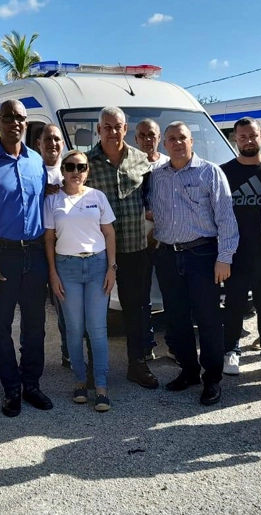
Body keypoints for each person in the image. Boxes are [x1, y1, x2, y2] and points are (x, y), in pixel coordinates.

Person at [0, 99, 53, 417]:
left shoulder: (36, 162)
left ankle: (32, 384)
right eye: (7, 117)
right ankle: (11, 389)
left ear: (26, 123)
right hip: (0, 257)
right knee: (0, 326)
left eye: (19, 117)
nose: (14, 122)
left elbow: (43, 206)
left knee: (35, 325)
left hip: (34, 254)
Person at [150, 121, 239, 405]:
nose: (177, 143)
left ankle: (212, 378)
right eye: (172, 138)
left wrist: (224, 258)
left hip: (202, 255)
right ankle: (188, 371)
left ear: (192, 141)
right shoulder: (156, 176)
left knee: (208, 318)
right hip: (167, 255)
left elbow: (226, 218)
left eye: (183, 138)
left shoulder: (210, 172)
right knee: (176, 319)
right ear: (165, 144)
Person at [85, 106, 159, 389]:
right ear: (98, 130)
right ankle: (96, 368)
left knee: (137, 309)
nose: (112, 132)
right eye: (107, 127)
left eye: (117, 127)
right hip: (97, 251)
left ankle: (137, 364)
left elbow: (152, 200)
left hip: (135, 249)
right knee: (96, 311)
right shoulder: (87, 163)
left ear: (125, 129)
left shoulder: (142, 161)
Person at [44, 151, 116, 411]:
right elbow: (49, 240)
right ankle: (79, 382)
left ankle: (100, 386)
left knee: (97, 329)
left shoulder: (98, 197)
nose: (76, 171)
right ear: (62, 170)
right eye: (70, 166)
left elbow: (109, 234)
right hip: (67, 268)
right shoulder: (52, 200)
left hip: (97, 266)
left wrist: (112, 268)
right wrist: (52, 273)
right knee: (74, 329)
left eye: (81, 167)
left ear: (88, 170)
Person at [220, 117, 261, 379]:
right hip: (235, 253)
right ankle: (231, 351)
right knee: (234, 305)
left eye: (253, 135)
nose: (248, 140)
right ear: (235, 139)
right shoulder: (224, 171)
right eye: (243, 136)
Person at [37, 124, 76, 369]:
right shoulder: (32, 168)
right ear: (39, 143)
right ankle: (34, 360)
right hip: (34, 247)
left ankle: (68, 352)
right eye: (47, 139)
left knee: (65, 306)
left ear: (63, 143)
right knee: (34, 310)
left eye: (57, 139)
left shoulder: (72, 168)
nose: (52, 143)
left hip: (64, 249)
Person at [134, 119, 171, 361]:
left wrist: (159, 222)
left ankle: (174, 344)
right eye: (143, 135)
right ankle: (145, 346)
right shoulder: (130, 165)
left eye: (153, 135)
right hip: (140, 241)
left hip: (167, 240)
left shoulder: (171, 164)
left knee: (172, 295)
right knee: (141, 295)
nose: (148, 139)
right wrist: (147, 215)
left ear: (160, 138)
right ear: (136, 139)